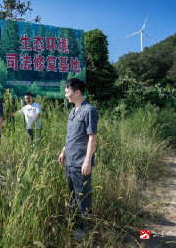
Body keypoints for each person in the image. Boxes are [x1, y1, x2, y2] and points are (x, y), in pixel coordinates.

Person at [58, 78, 98, 240]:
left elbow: (92, 137)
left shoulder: (89, 110)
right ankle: (73, 222)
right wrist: (63, 150)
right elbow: (72, 136)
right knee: (72, 195)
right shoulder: (73, 111)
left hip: (81, 162)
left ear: (77, 92)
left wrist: (87, 160)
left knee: (83, 196)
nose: (66, 95)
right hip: (69, 160)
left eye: (67, 92)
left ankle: (84, 228)